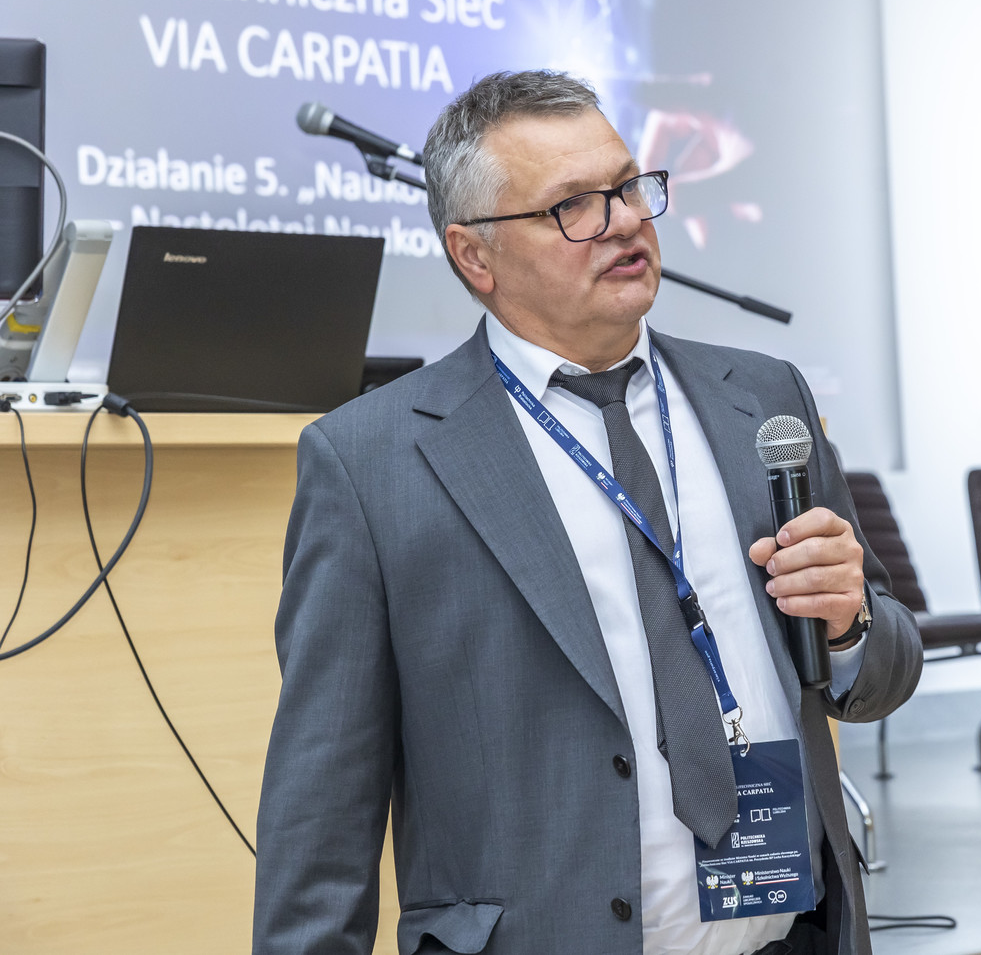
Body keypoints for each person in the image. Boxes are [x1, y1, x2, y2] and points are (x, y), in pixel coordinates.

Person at [252, 70, 922, 955]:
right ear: (475, 256)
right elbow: (321, 805)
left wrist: (849, 626)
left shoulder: (762, 400)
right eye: (572, 206)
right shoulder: (373, 462)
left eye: (629, 187)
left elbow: (883, 674)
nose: (623, 221)